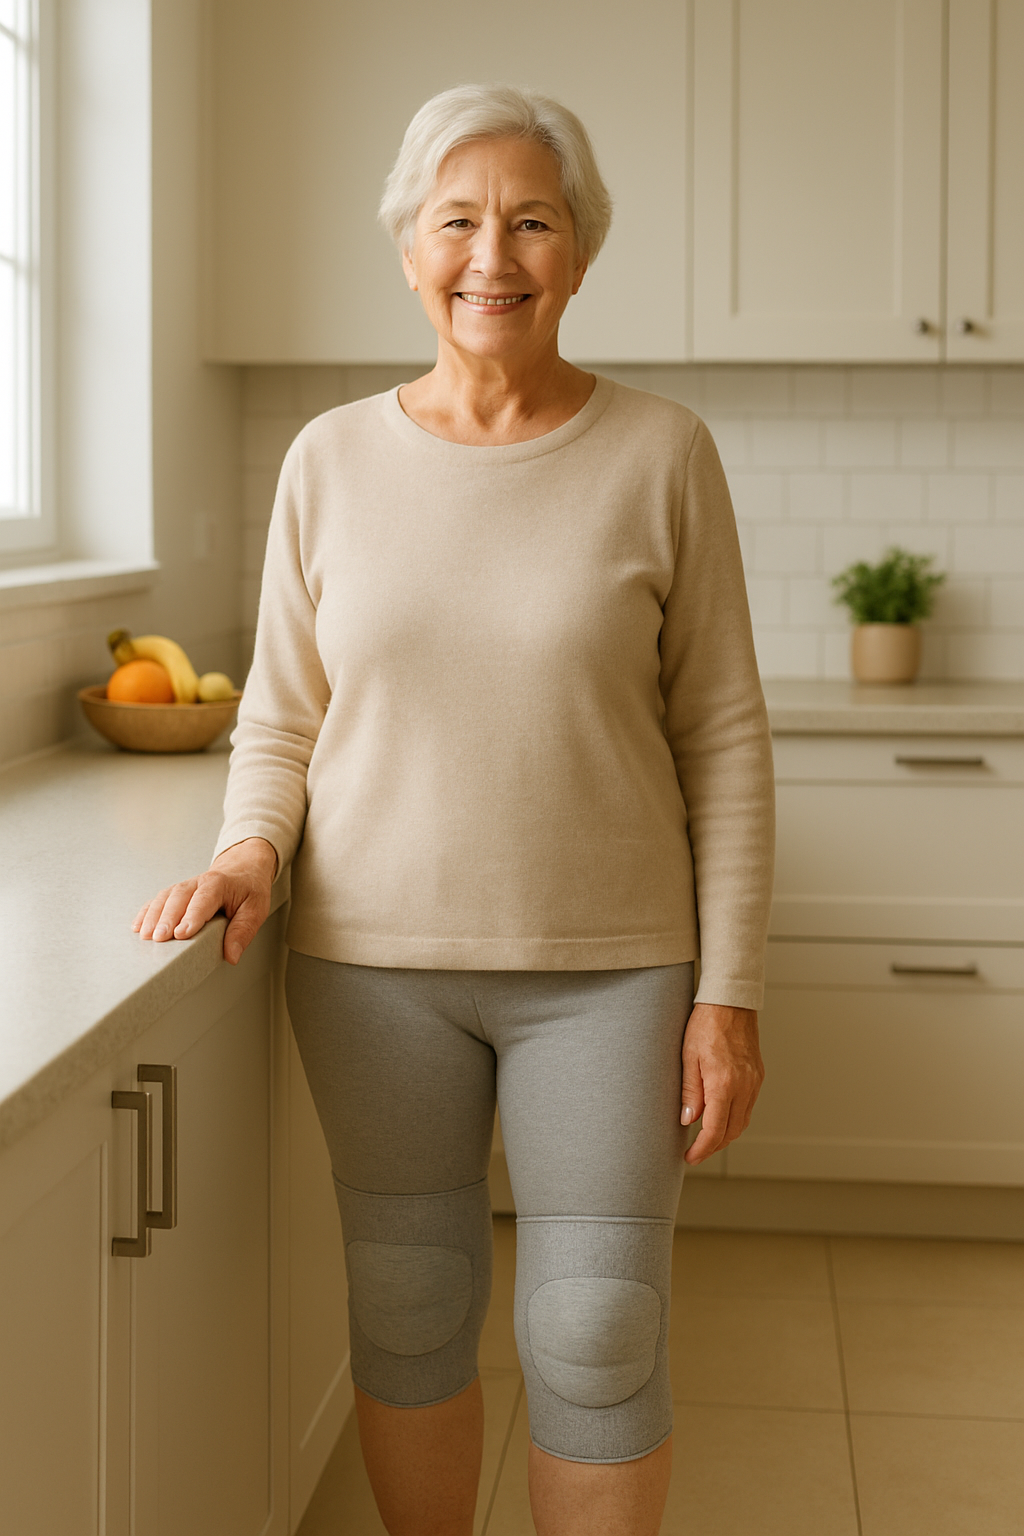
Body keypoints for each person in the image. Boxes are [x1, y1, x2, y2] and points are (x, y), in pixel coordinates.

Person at [135, 84, 775, 1536]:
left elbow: (726, 739)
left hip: (614, 969)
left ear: (581, 253)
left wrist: (728, 992)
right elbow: (283, 714)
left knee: (597, 1324)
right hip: (371, 968)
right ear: (411, 250)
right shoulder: (327, 461)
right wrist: (250, 845)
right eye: (460, 220)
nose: (495, 254)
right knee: (412, 1298)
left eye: (532, 221)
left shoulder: (663, 454)